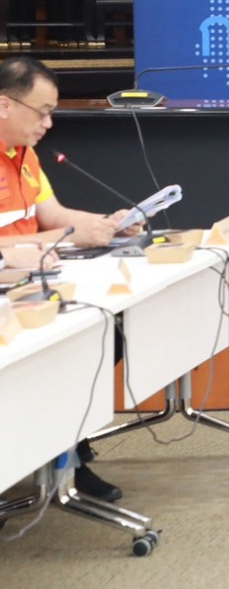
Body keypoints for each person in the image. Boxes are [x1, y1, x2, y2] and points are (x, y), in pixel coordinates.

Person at [0, 55, 139, 502]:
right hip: (10, 290)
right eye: (42, 112)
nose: (49, 123)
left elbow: (53, 215)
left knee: (108, 331)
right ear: (5, 104)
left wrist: (106, 224)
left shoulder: (24, 154)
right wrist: (62, 237)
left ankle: (68, 450)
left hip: (34, 280)